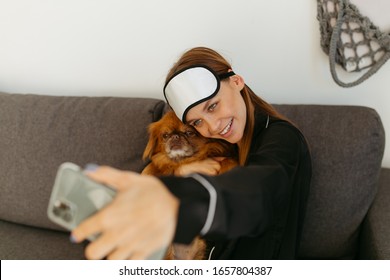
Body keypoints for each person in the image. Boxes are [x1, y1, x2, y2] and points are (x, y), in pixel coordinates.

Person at [71, 47, 312, 260]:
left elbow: (260, 189)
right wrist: (180, 172)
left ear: (236, 81)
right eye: (197, 122)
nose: (213, 126)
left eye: (213, 106)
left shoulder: (282, 138)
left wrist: (182, 195)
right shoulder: (220, 144)